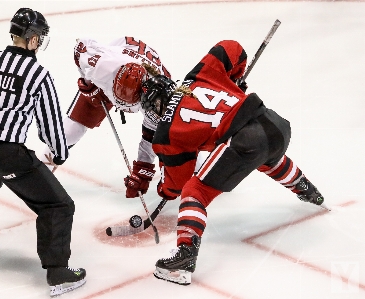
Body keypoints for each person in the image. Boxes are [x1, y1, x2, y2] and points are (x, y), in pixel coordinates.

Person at [138, 40, 326, 285]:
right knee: (266, 157)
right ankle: (308, 191)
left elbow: (178, 183)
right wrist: (233, 79)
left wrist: (164, 190)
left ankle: (184, 256)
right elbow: (230, 47)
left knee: (194, 192)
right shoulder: (197, 75)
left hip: (246, 139)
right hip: (275, 124)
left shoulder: (166, 132)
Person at [0, 8, 86, 297]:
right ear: (33, 39)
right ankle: (59, 273)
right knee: (58, 205)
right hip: (7, 153)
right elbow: (49, 125)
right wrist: (59, 154)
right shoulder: (37, 74)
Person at [43, 36, 172, 198]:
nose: (118, 105)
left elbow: (150, 137)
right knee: (69, 133)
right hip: (111, 74)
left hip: (137, 80)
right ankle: (38, 174)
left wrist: (142, 170)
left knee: (168, 136)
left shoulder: (156, 95)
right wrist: (89, 84)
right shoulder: (102, 66)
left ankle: (193, 173)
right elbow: (81, 46)